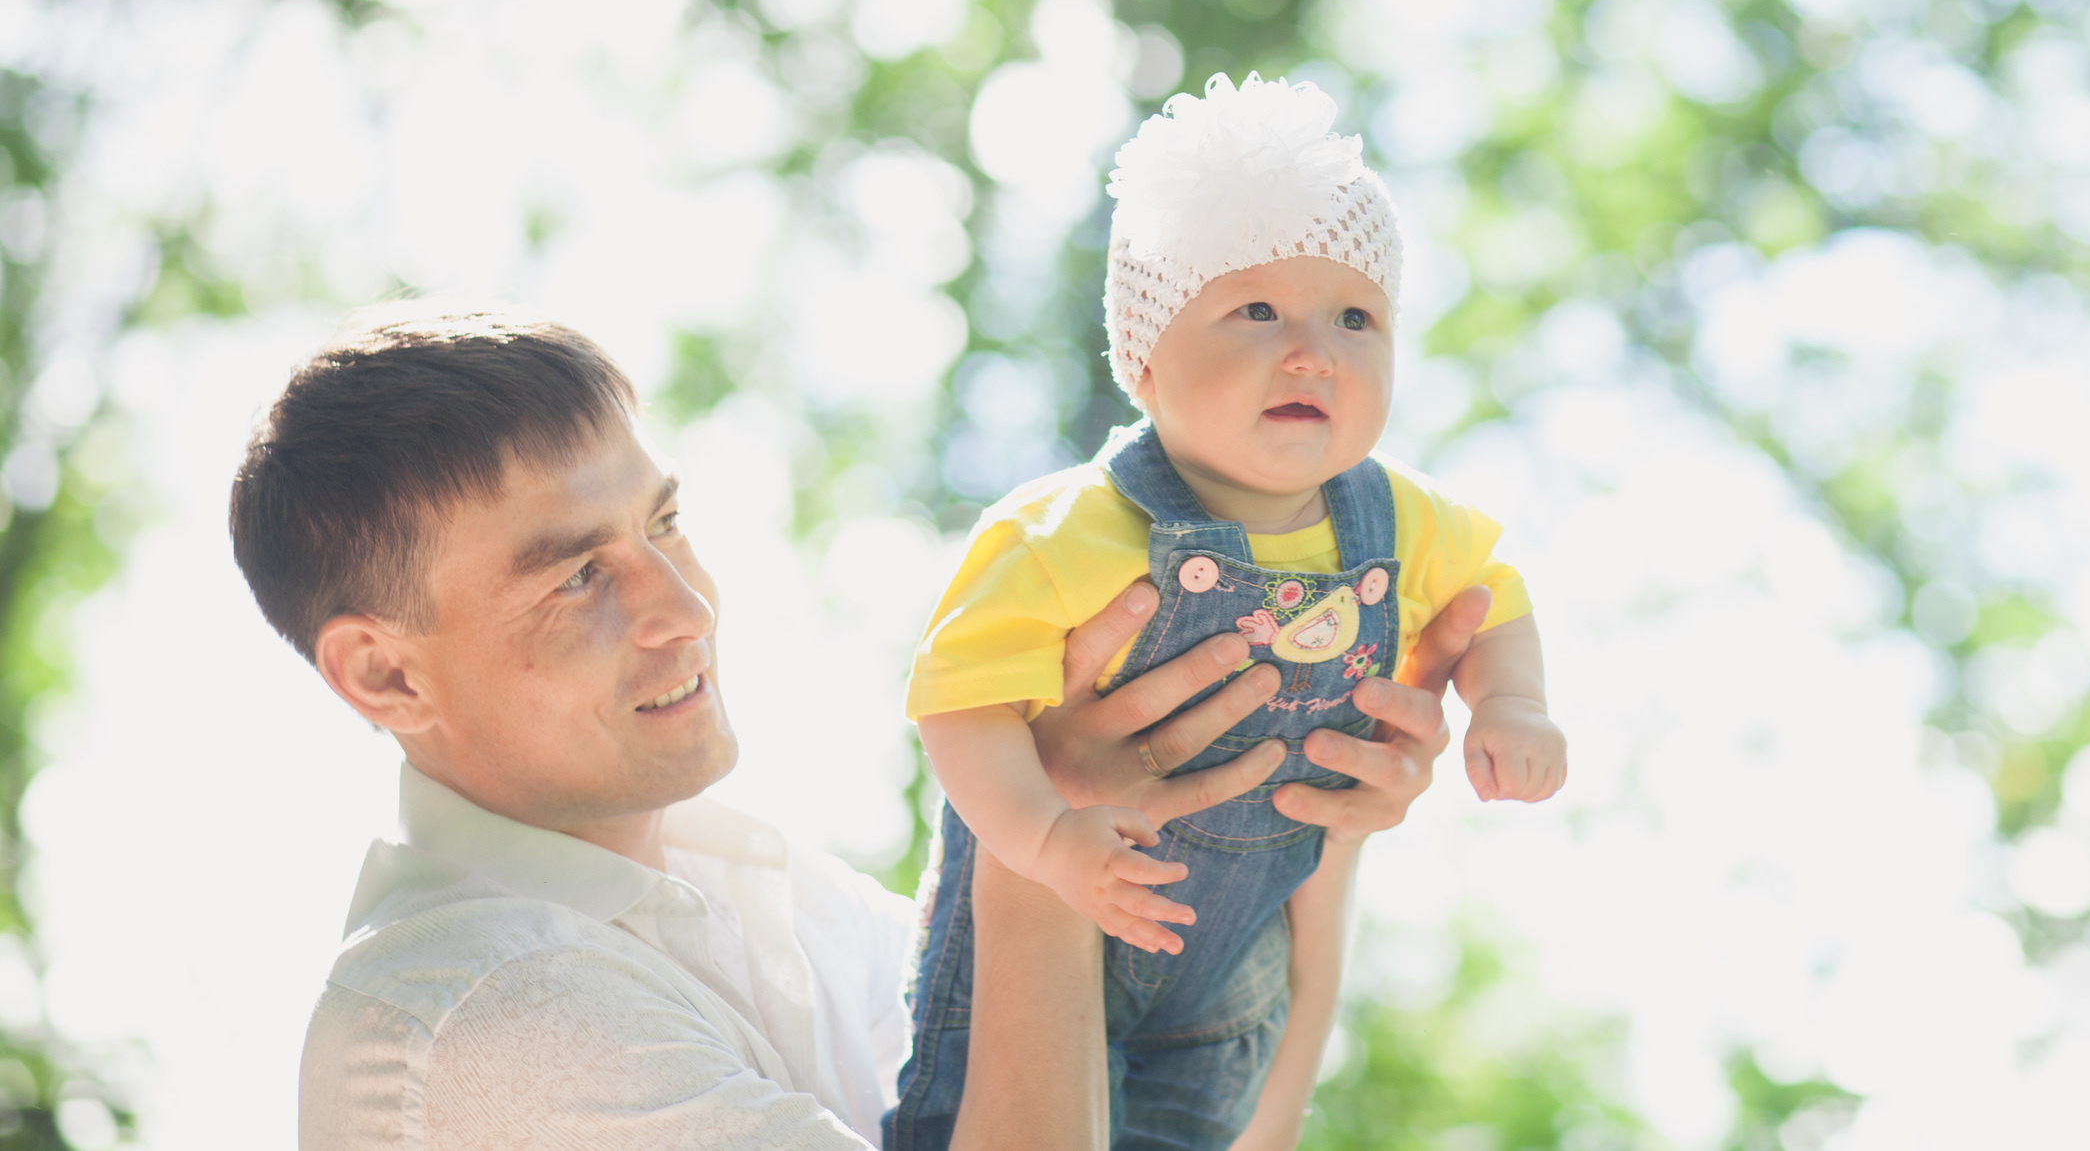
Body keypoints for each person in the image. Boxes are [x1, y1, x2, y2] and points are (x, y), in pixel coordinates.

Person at [233, 308, 1474, 1148]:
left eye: (663, 526)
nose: (684, 606)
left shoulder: (784, 901)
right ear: (386, 677)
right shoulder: (484, 1015)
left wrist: (1305, 807)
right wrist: (1036, 841)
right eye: (574, 578)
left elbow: (1213, 1121)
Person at [891, 75, 1567, 1151]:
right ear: (1144, 361)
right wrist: (1047, 841)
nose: (1312, 350)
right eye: (1256, 309)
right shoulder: (1063, 532)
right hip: (1063, 911)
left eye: (1356, 317)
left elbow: (1494, 602)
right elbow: (958, 708)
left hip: (1235, 979)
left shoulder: (1401, 520)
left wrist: (1511, 705)